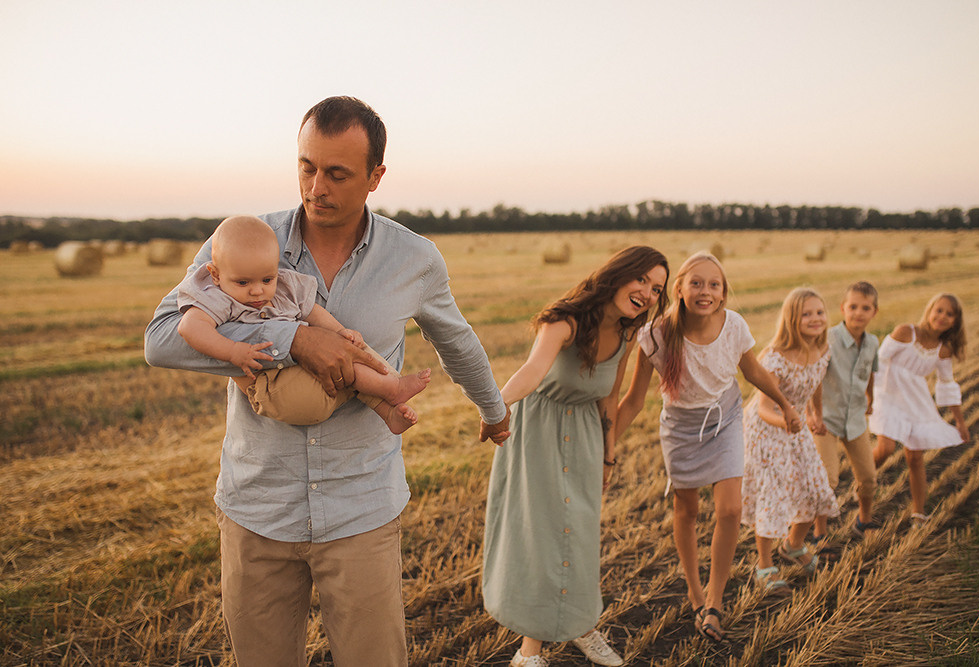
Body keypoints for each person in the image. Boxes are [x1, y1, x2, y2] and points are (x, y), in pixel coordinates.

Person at [145, 96, 511, 666]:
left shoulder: (414, 257)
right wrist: (293, 340)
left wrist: (493, 408)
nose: (316, 187)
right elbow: (161, 338)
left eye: (337, 173)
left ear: (375, 177)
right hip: (257, 508)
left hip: (361, 509)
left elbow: (455, 339)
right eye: (306, 166)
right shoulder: (240, 242)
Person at [482, 246, 669, 667]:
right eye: (642, 280)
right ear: (619, 275)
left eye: (657, 289)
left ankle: (583, 626)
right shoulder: (563, 319)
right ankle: (529, 652)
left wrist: (608, 455)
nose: (647, 293)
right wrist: (495, 408)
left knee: (580, 536)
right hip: (539, 433)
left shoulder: (626, 334)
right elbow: (532, 370)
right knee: (542, 536)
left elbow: (610, 398)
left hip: (585, 435)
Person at [616, 252, 800, 642]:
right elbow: (633, 401)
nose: (705, 291)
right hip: (681, 428)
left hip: (726, 417)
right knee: (687, 509)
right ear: (678, 289)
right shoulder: (655, 335)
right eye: (696, 283)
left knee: (730, 508)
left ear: (723, 292)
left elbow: (752, 371)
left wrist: (785, 404)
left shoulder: (733, 325)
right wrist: (606, 444)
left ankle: (714, 600)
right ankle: (695, 592)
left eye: (714, 284)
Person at [176, 214, 430, 434]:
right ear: (216, 274)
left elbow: (313, 312)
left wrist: (341, 332)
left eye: (267, 279)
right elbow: (189, 328)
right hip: (274, 388)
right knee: (343, 362)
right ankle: (392, 388)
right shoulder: (216, 296)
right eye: (243, 283)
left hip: (306, 373)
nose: (257, 291)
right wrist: (232, 351)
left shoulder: (284, 287)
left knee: (350, 349)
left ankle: (388, 410)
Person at [741, 288, 839, 593]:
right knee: (774, 495)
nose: (815, 319)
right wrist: (789, 420)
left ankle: (794, 545)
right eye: (806, 314)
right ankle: (765, 565)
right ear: (791, 320)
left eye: (819, 312)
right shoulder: (775, 358)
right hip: (766, 431)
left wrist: (815, 413)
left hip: (795, 425)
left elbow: (816, 381)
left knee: (813, 487)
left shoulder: (822, 350)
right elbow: (763, 407)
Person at [870, 293, 969, 525]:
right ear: (930, 310)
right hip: (887, 394)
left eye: (949, 314)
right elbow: (878, 361)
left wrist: (960, 421)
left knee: (915, 457)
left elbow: (947, 384)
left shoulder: (943, 350)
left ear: (955, 321)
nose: (942, 316)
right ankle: (863, 483)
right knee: (885, 448)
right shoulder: (906, 332)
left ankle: (918, 512)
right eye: (939, 310)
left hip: (914, 400)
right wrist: (870, 395)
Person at [809, 281, 880, 542]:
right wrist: (812, 414)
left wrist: (870, 398)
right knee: (828, 480)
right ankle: (820, 532)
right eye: (853, 307)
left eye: (865, 308)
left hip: (855, 419)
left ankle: (864, 520)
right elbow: (812, 378)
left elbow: (869, 372)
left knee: (869, 479)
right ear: (842, 309)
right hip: (826, 419)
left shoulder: (872, 342)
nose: (858, 313)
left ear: (874, 312)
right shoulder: (828, 339)